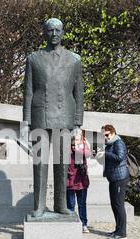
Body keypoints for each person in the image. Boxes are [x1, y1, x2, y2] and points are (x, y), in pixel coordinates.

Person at [22, 18, 84, 217]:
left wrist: (78, 122)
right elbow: (28, 92)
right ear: (45, 33)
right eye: (50, 30)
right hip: (40, 117)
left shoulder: (74, 60)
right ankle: (39, 205)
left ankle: (60, 204)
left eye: (58, 30)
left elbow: (79, 93)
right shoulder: (33, 59)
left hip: (65, 118)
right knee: (40, 164)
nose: (54, 34)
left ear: (63, 32)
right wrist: (26, 122)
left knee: (62, 165)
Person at [97, 124, 129, 239]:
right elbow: (109, 160)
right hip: (113, 178)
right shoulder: (109, 144)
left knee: (119, 205)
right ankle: (118, 229)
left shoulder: (118, 143)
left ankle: (122, 233)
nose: (105, 137)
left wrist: (105, 154)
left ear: (112, 132)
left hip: (120, 178)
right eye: (103, 136)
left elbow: (119, 157)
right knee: (114, 205)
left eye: (107, 135)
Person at [67, 134, 91, 233]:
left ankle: (83, 224)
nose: (75, 146)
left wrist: (86, 145)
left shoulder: (83, 151)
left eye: (78, 142)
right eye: (73, 144)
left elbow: (88, 154)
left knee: (82, 205)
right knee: (70, 205)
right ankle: (70, 223)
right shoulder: (67, 152)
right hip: (70, 183)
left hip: (82, 183)